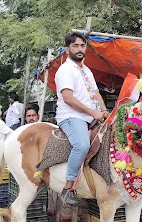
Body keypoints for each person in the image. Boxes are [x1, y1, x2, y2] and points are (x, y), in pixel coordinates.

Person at [55, 32, 109, 205]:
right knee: (82, 145)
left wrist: (104, 111)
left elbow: (95, 93)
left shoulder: (86, 70)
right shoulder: (65, 70)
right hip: (71, 116)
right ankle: (67, 188)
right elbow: (68, 99)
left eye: (82, 45)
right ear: (67, 49)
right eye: (75, 46)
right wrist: (94, 114)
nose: (79, 49)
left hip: (89, 116)